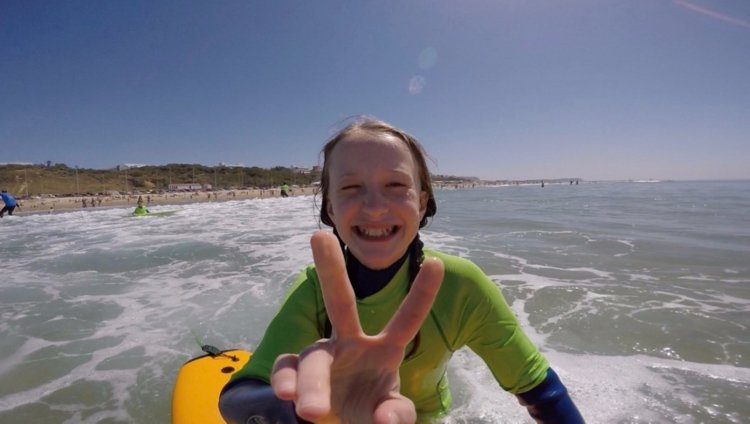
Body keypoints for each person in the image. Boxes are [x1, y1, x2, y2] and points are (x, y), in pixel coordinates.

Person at [219, 118, 584, 423]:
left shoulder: (459, 286)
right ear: (329, 208)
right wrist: (306, 407)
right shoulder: (314, 290)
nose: (375, 207)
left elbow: (542, 392)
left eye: (396, 186)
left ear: (422, 202)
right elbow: (237, 399)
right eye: (350, 188)